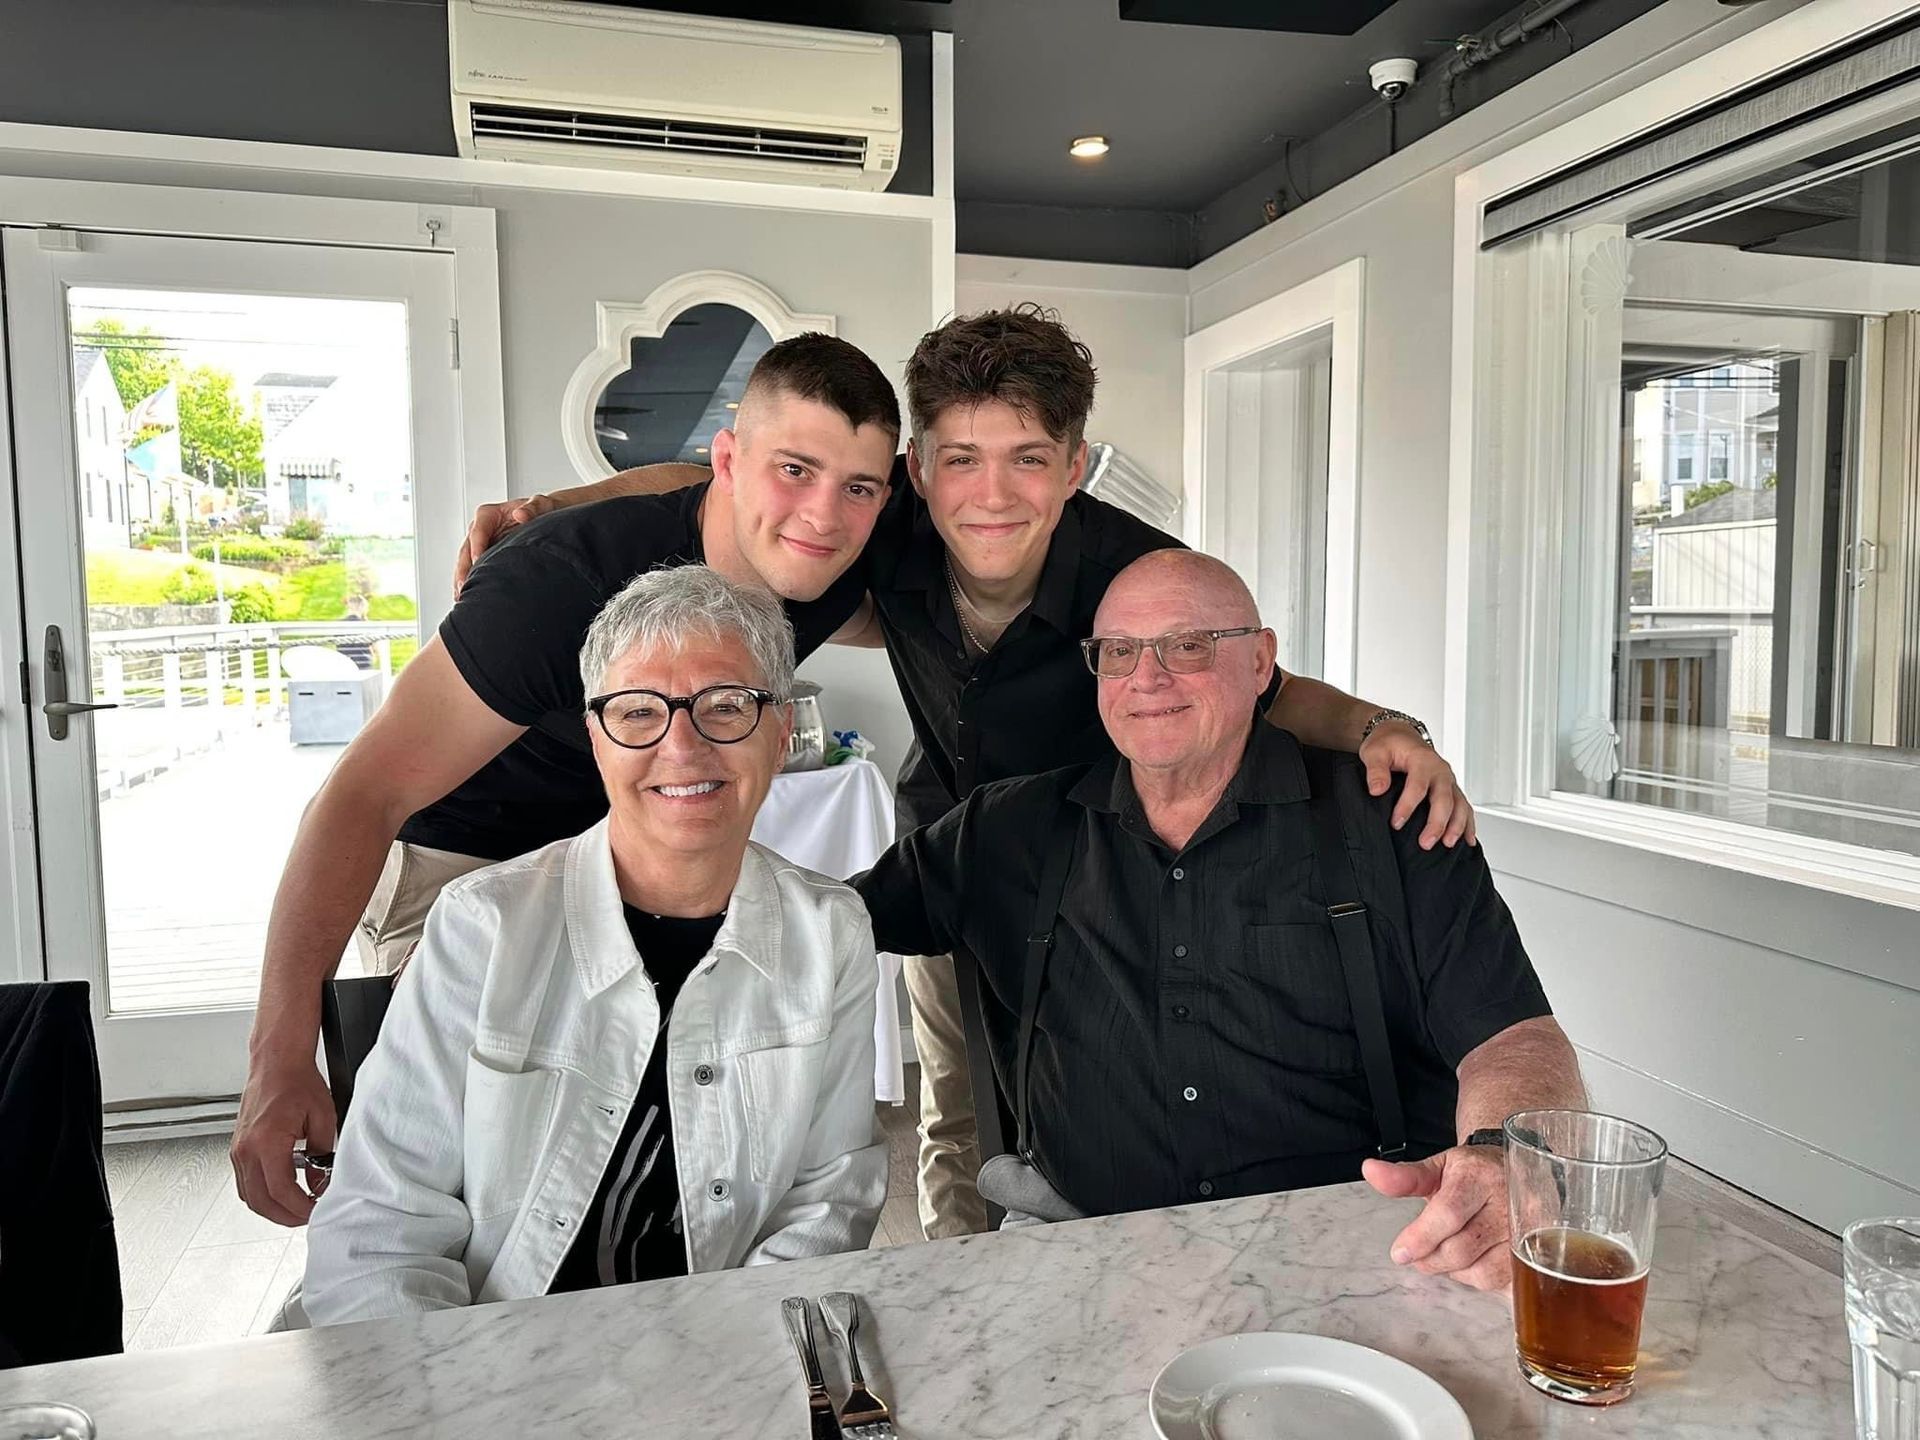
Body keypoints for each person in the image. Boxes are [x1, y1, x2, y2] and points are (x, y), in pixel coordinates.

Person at [457, 307, 1479, 1241]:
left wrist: (1383, 724)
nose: (991, 494)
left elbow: (1258, 680)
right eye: (960, 460)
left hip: (1104, 876)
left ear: (1075, 466)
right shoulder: (882, 532)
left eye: (1029, 459)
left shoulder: (1134, 574)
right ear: (917, 467)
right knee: (953, 1102)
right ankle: (962, 1281)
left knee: (1100, 1103)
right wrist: (555, 503)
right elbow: (719, 480)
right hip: (957, 854)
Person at [232, 334, 899, 1225]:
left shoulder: (818, 569)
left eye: (857, 486)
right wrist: (279, 1058)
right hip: (456, 862)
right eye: (794, 471)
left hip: (618, 862)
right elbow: (363, 795)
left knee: (646, 1156)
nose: (823, 515)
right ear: (732, 461)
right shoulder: (554, 583)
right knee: (462, 1185)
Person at [855, 550, 1583, 1292]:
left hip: (1360, 1245)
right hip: (1082, 1245)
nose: (1147, 678)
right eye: (1119, 652)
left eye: (1188, 644)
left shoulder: (1389, 821)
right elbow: (826, 921)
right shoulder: (1011, 829)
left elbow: (1514, 1038)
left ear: (1261, 662)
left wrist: (1499, 1154)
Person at [300, 566, 886, 1325]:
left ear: (779, 737)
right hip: (489, 1359)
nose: (683, 746)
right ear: (596, 740)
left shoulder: (830, 931)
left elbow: (829, 1199)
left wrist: (737, 1361)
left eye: (726, 706)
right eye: (639, 712)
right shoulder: (484, 927)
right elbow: (380, 1232)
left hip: (730, 1357)